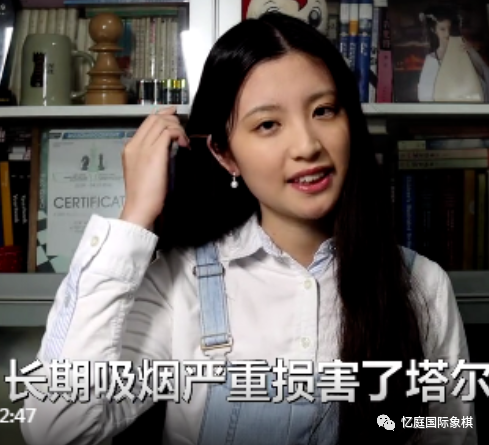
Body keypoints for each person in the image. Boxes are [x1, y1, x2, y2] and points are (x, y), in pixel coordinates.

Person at [20, 12, 475, 445]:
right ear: (225, 154)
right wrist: (135, 214)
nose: (307, 146)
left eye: (323, 111)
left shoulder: (421, 283)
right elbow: (56, 429)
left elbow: (448, 432)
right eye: (268, 124)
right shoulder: (182, 283)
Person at [417, 5, 489, 102]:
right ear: (434, 30)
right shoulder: (432, 59)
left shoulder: (465, 50)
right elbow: (425, 94)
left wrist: (471, 52)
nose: (447, 33)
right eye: (442, 29)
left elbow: (483, 77)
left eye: (449, 28)